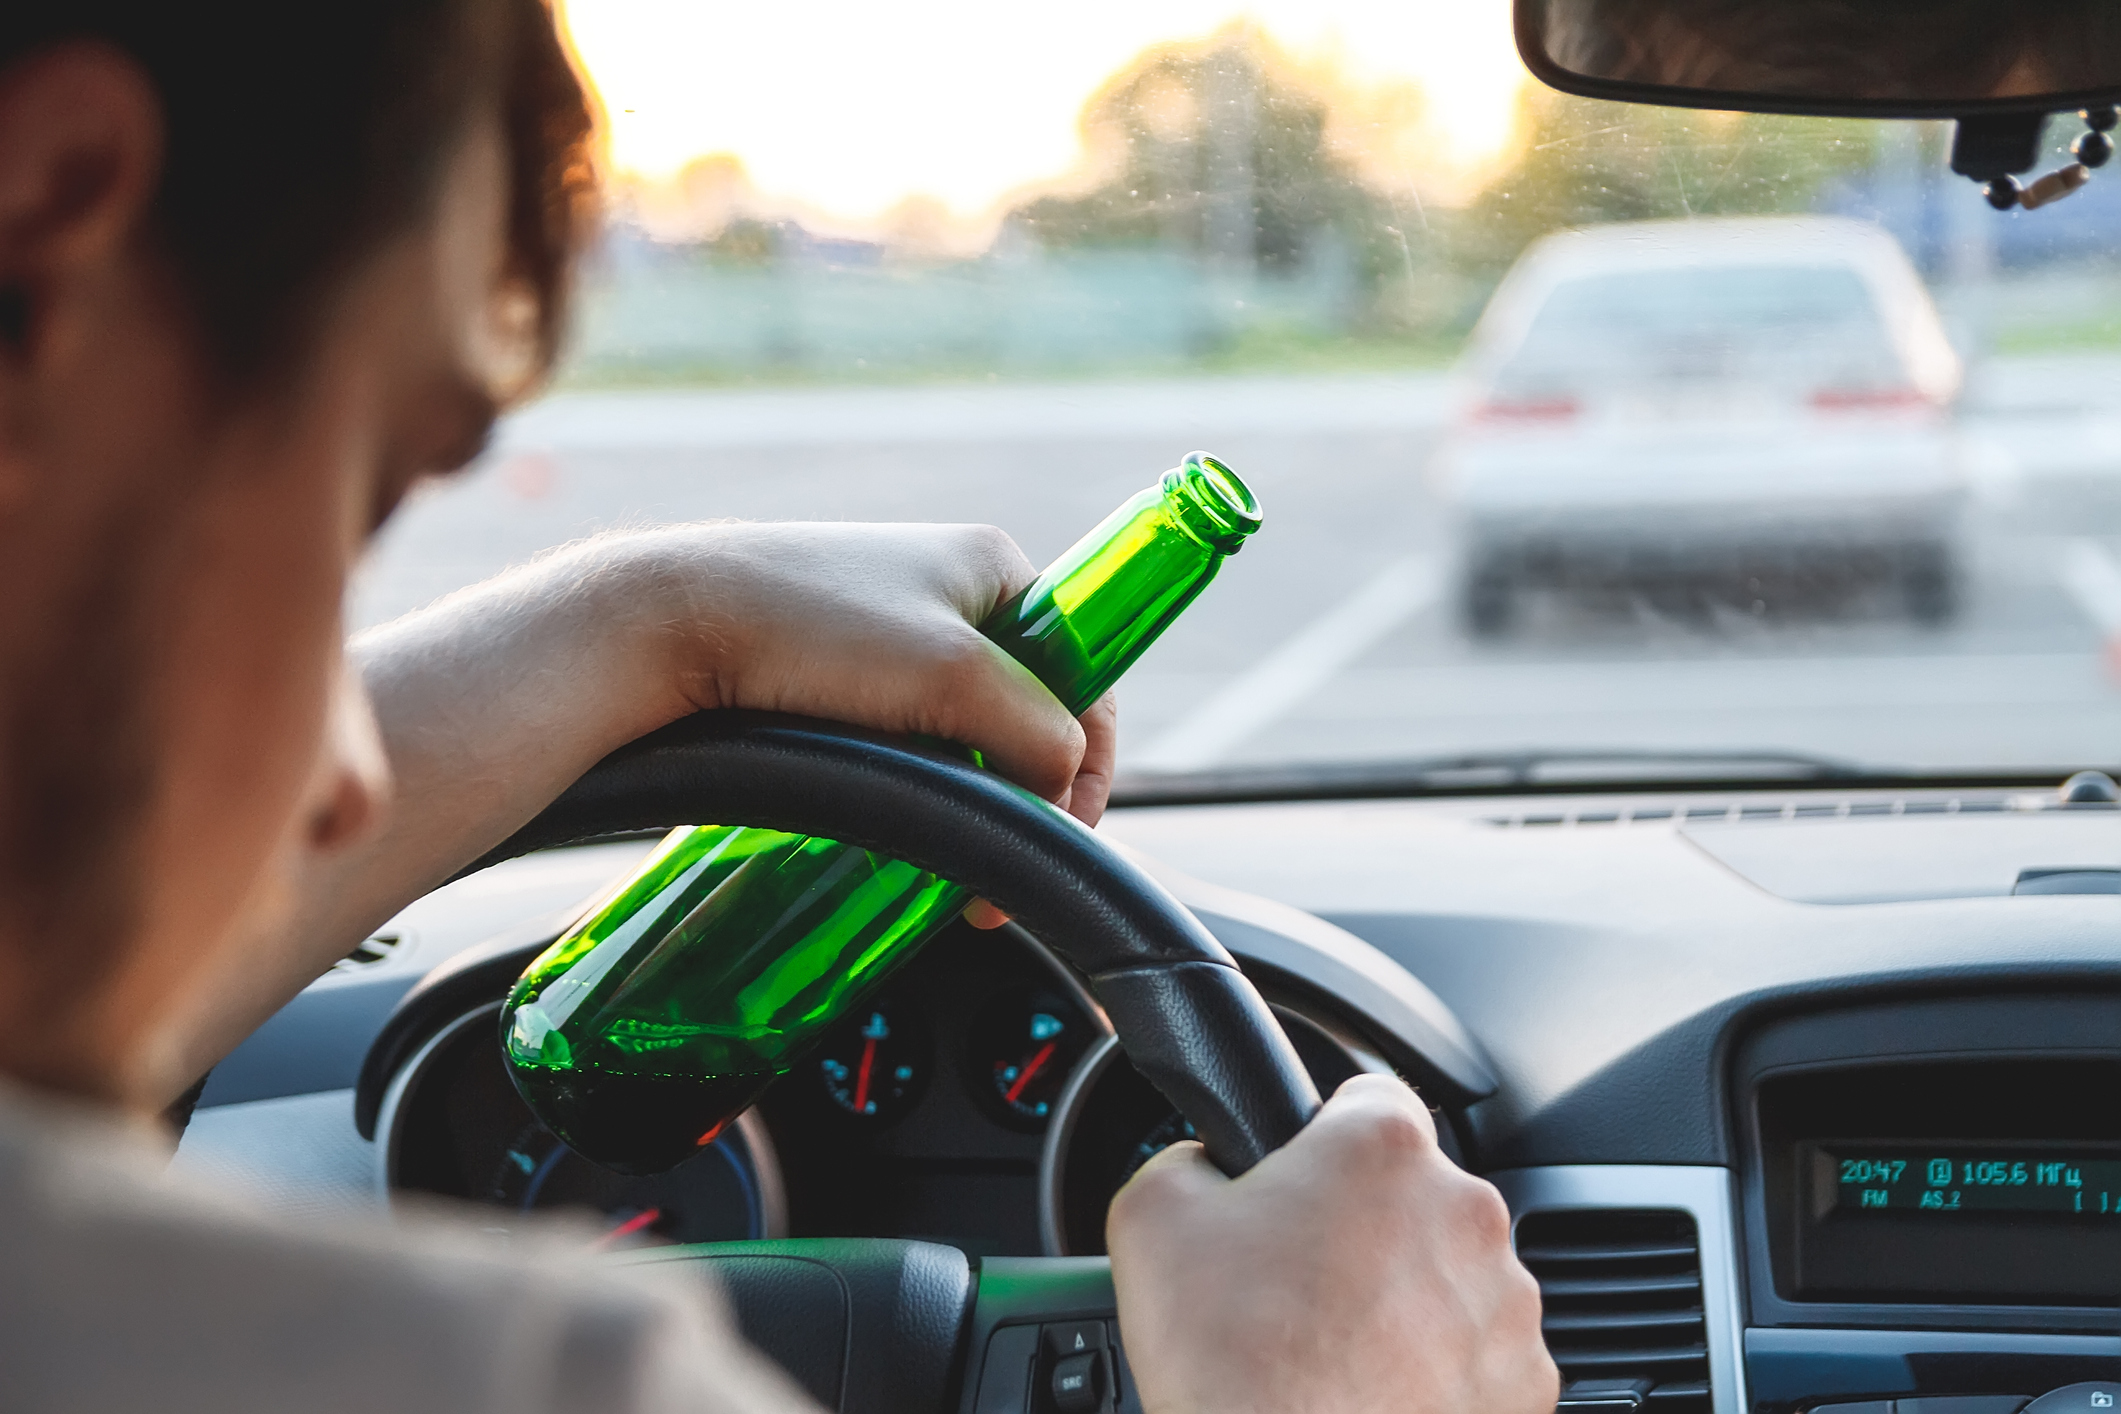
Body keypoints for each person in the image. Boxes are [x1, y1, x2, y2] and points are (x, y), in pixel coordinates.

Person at [0, 3, 1557, 1411]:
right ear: (46, 212)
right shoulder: (517, 1374)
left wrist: (661, 623)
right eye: (352, 506)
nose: (339, 786)